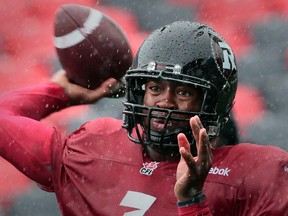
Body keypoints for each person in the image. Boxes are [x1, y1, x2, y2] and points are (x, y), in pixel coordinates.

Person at [0, 21, 287, 216]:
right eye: (154, 88)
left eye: (184, 91)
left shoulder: (258, 176)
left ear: (213, 102)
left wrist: (192, 202)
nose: (164, 102)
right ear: (139, 92)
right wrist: (61, 92)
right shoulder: (91, 150)